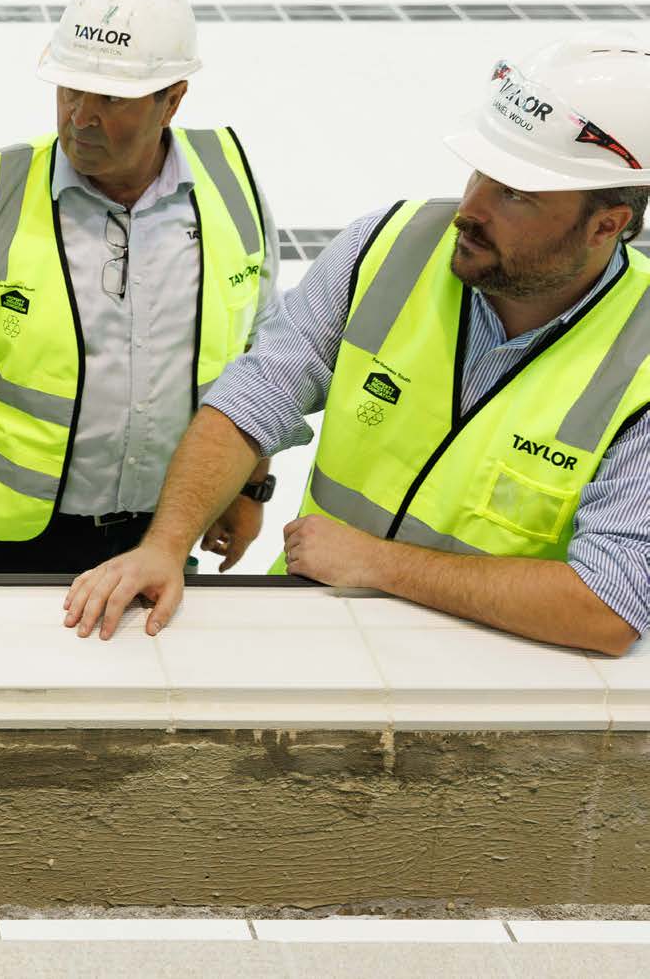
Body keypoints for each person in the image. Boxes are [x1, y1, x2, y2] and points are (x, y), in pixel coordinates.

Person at [64, 38, 650, 655]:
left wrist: (376, 564)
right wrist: (165, 546)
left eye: (516, 194)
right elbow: (255, 397)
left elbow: (607, 606)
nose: (469, 210)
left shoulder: (638, 359)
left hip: (485, 691)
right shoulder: (390, 245)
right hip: (311, 641)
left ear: (607, 224)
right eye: (480, 173)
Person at [0, 0, 278, 574]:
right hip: (1, 546)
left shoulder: (232, 185)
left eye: (111, 98)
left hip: (164, 533)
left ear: (173, 99)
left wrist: (246, 490)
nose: (81, 118)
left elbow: (261, 365)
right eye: (69, 90)